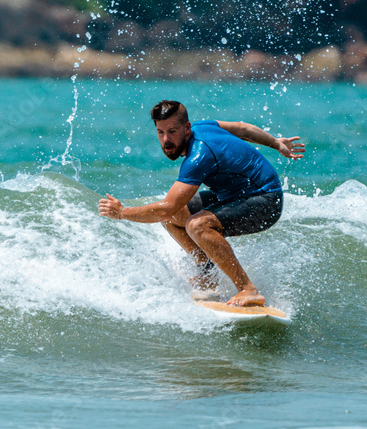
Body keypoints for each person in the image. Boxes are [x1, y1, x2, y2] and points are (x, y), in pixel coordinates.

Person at [98, 100, 304, 307]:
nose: (166, 139)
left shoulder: (199, 156)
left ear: (186, 128)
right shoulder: (203, 126)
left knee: (197, 225)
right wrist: (276, 143)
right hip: (232, 194)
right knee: (173, 216)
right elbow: (242, 129)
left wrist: (122, 213)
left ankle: (248, 289)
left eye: (172, 131)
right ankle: (207, 272)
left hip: (265, 200)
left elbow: (167, 207)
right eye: (161, 132)